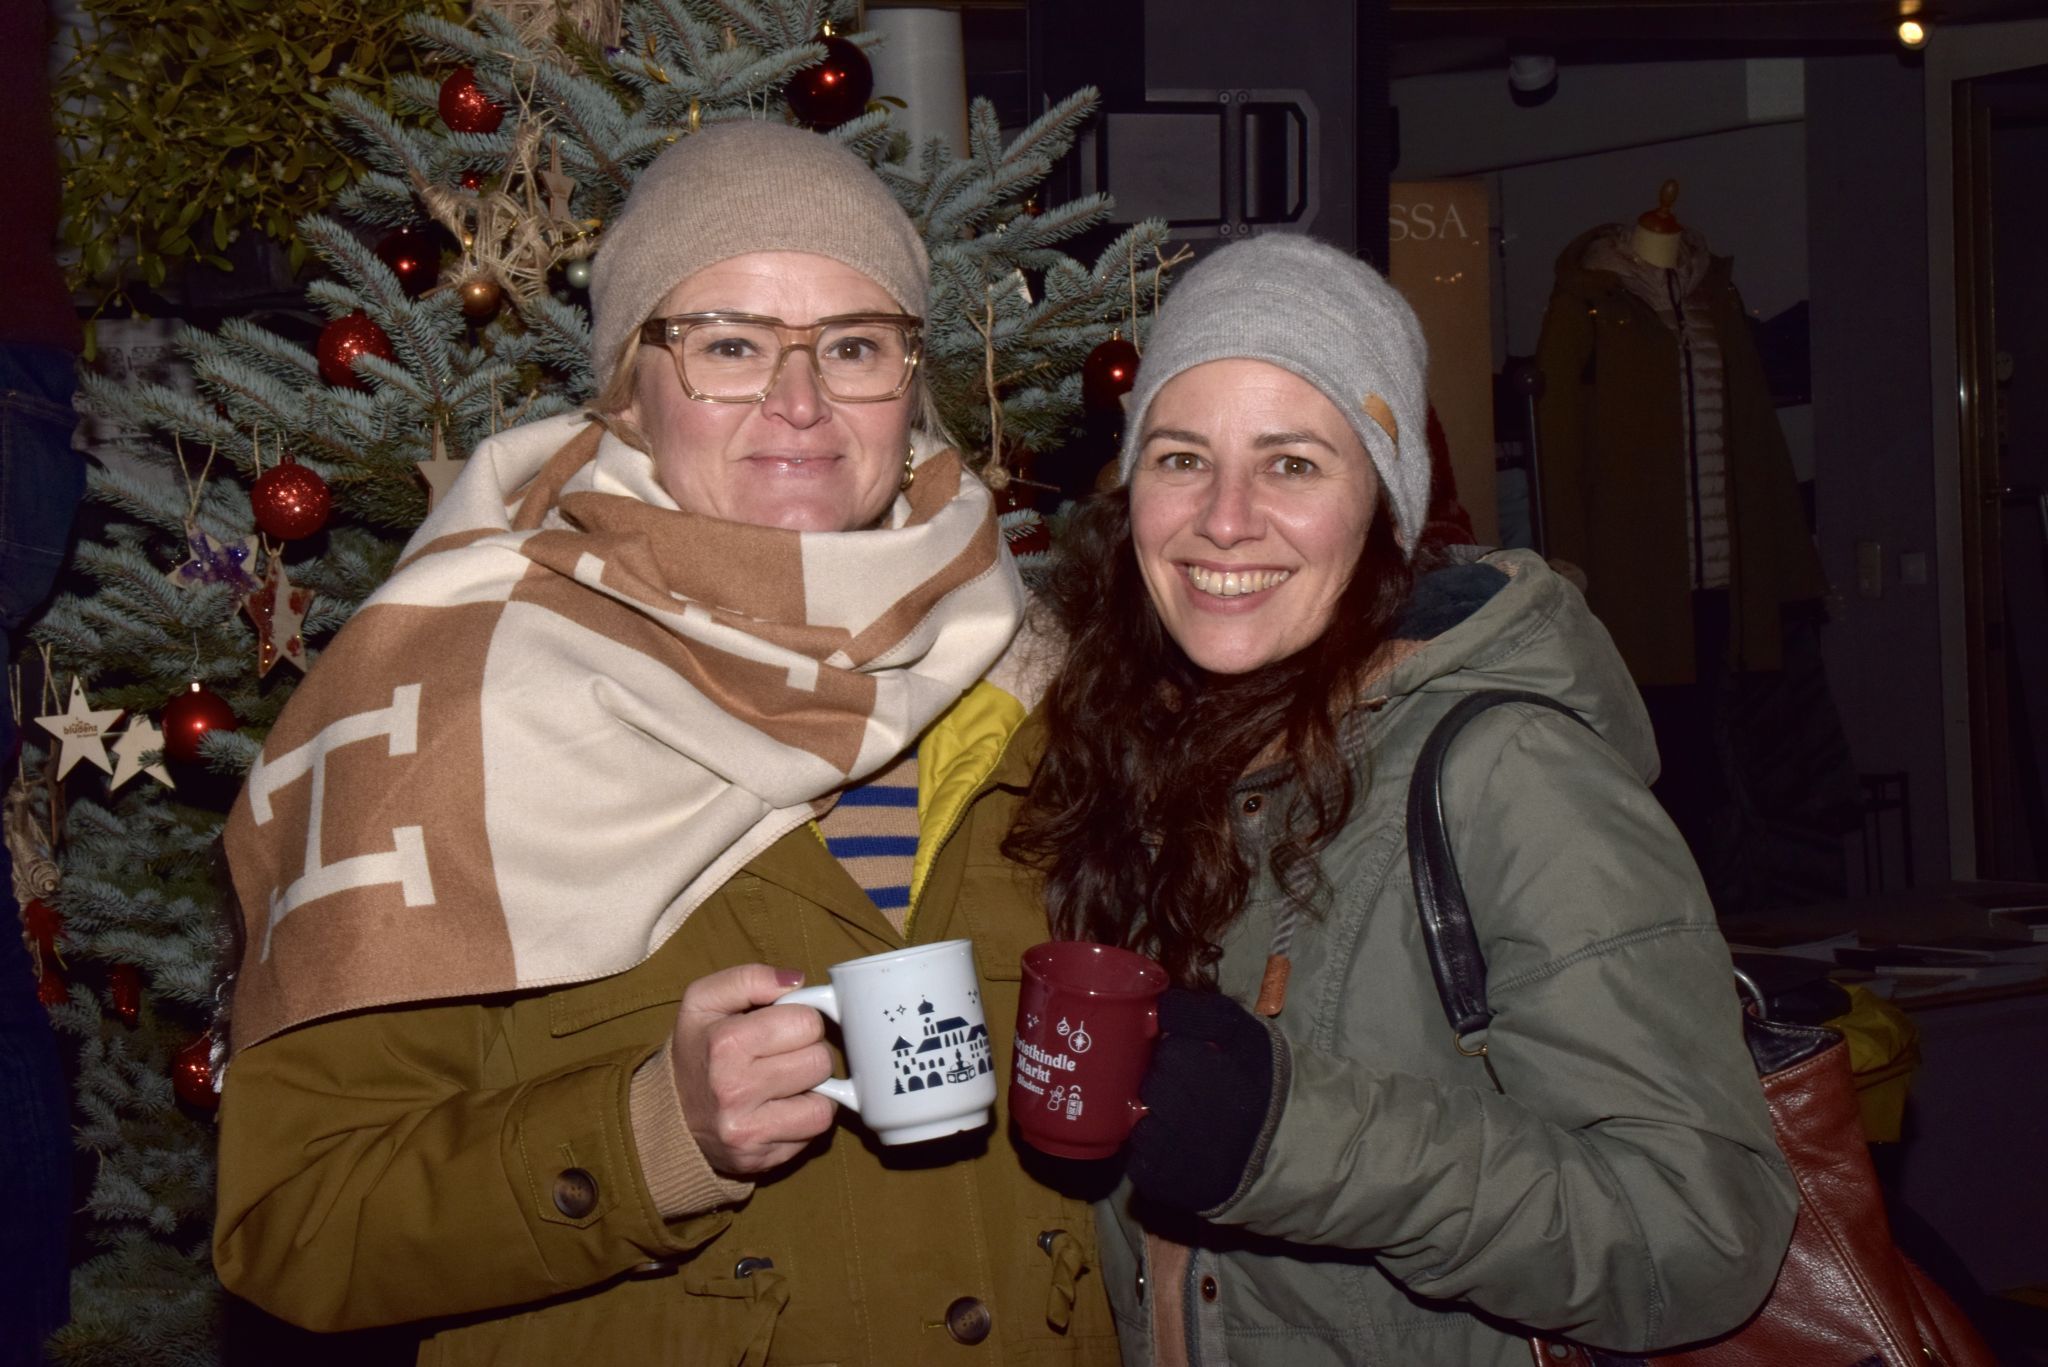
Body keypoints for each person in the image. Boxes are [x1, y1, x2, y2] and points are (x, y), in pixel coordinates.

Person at [213, 122, 1119, 1365]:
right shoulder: (444, 711)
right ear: (630, 384)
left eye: (852, 346)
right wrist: (649, 1137)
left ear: (908, 379)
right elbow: (295, 1221)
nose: (798, 404)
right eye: (730, 344)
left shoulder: (1042, 682)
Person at [1005, 233, 1798, 1366]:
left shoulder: (1509, 773)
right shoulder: (1135, 756)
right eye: (1181, 457)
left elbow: (1701, 1232)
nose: (1223, 519)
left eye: (1291, 463)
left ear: (1383, 504)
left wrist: (1289, 1137)